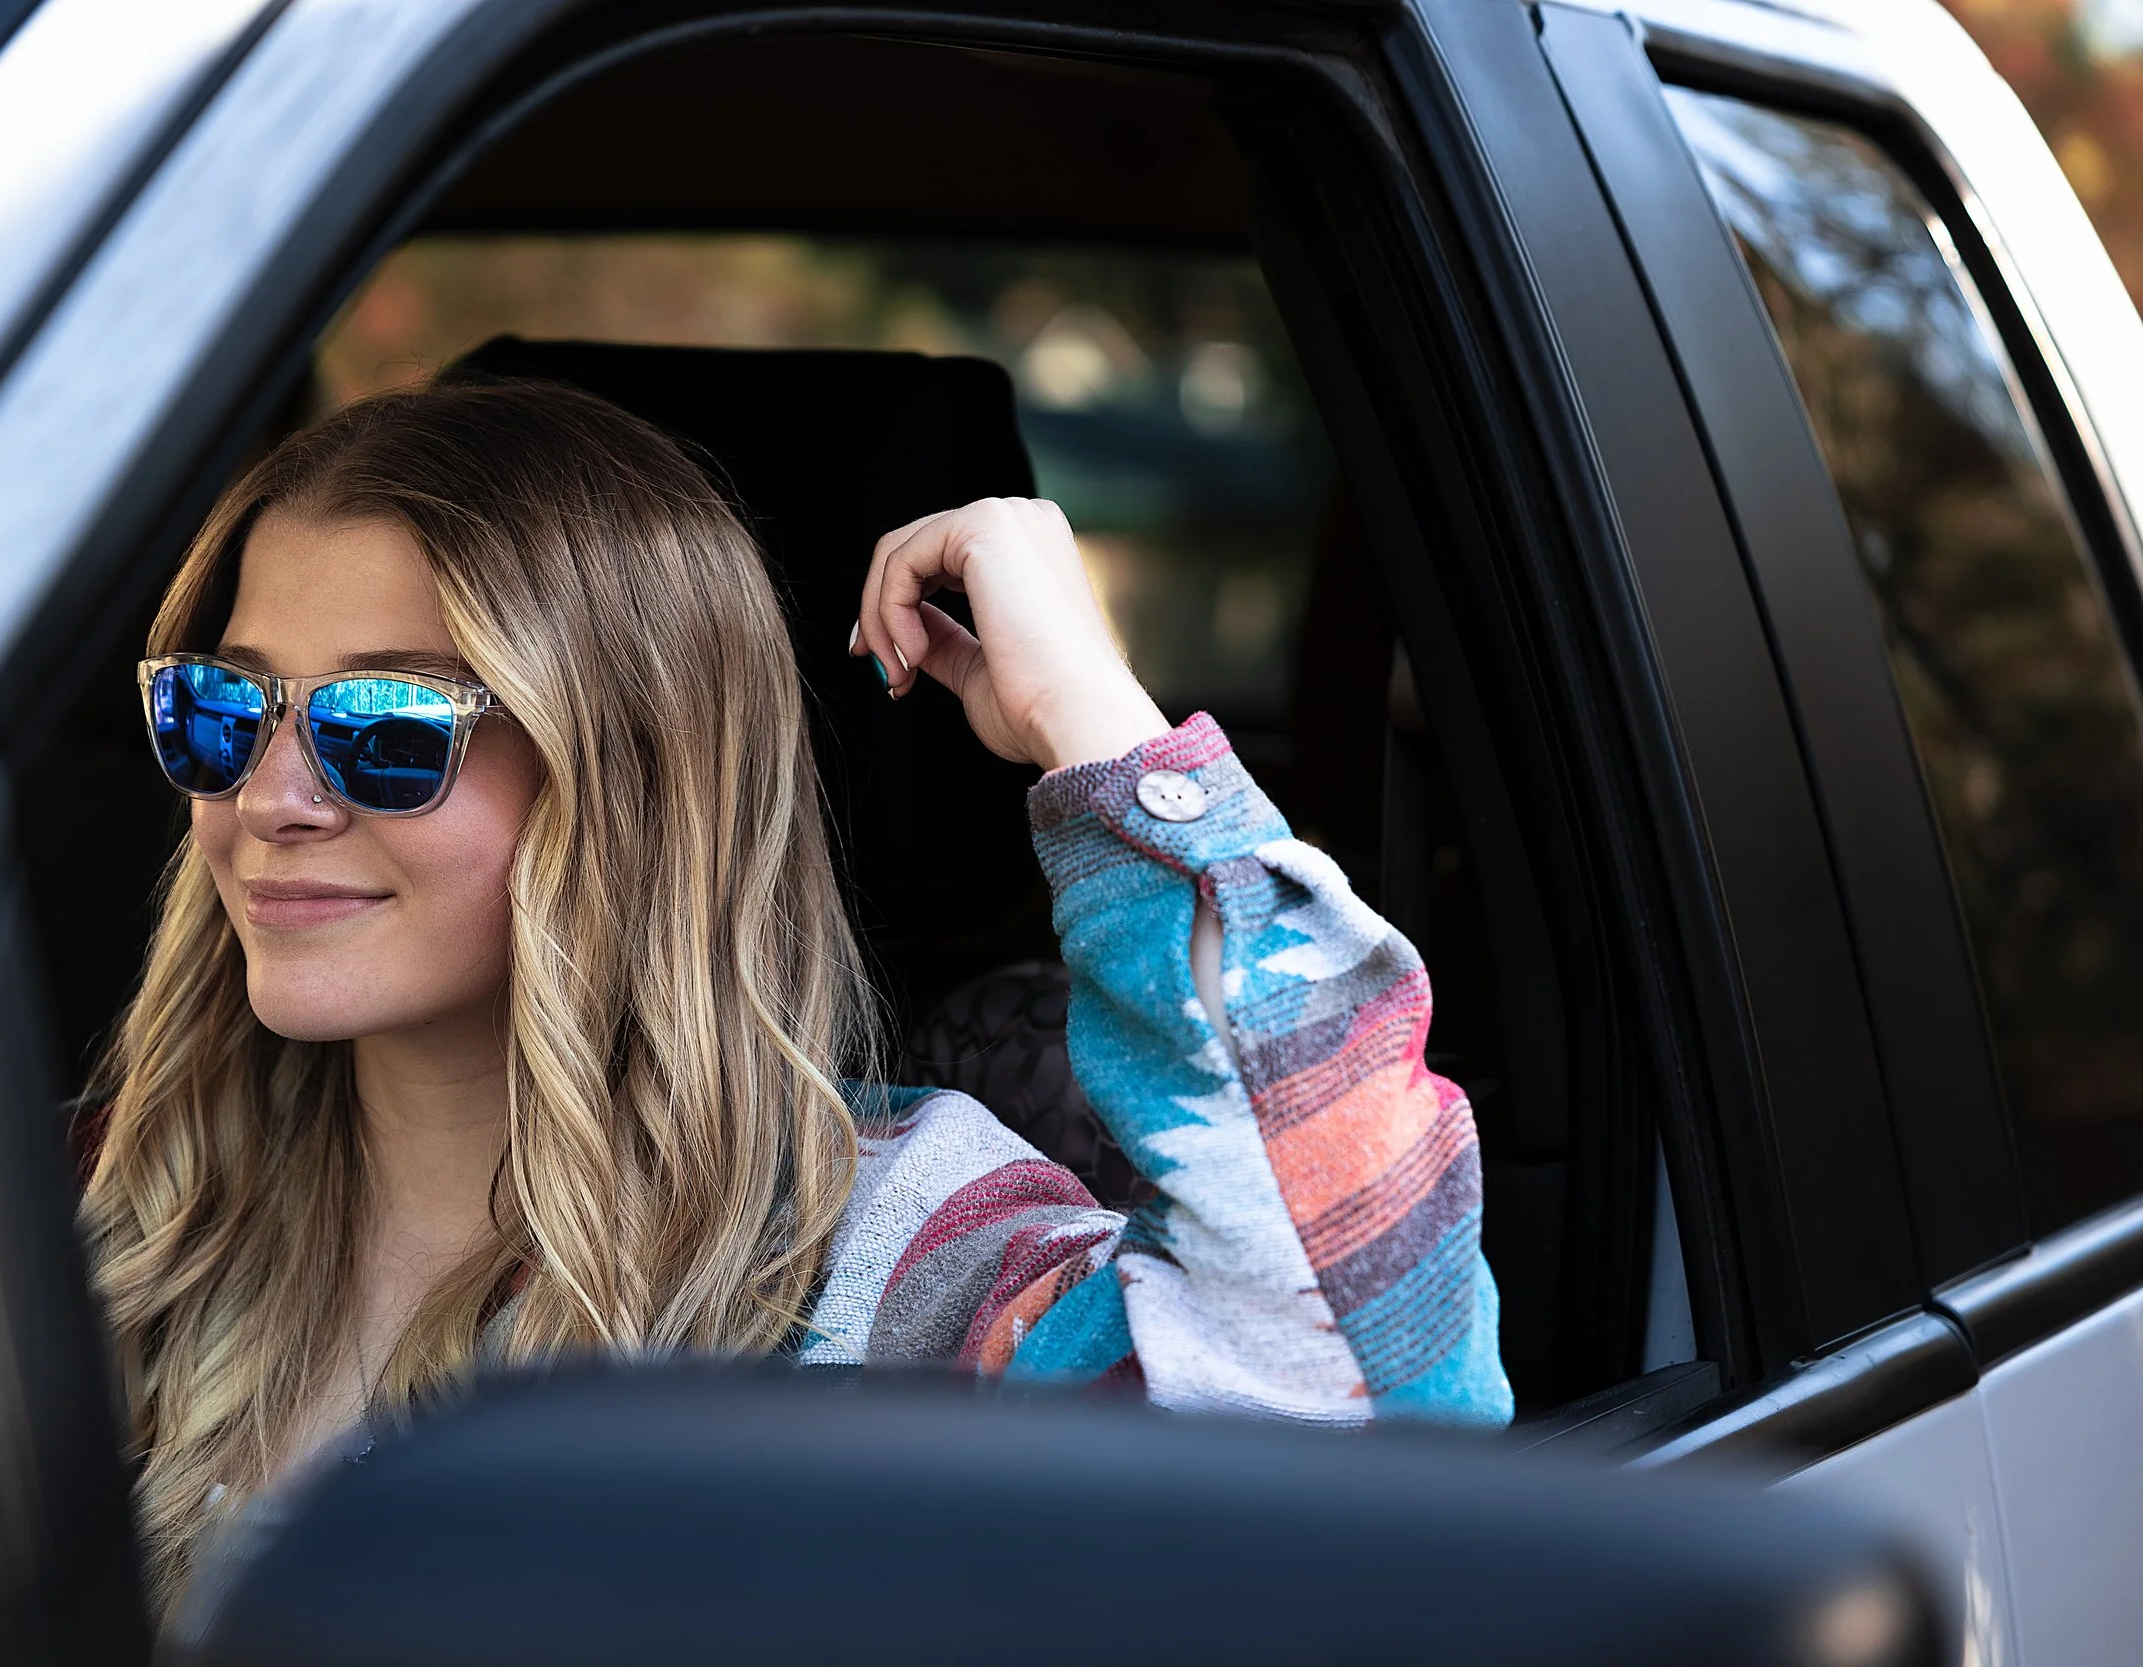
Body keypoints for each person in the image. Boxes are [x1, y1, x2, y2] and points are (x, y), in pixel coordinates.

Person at [81, 376, 1511, 1606]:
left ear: (630, 782)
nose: (269, 797)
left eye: (381, 724)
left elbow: (1373, 1426)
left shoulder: (889, 1265)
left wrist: (1094, 716)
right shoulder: (105, 1207)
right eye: (219, 707)